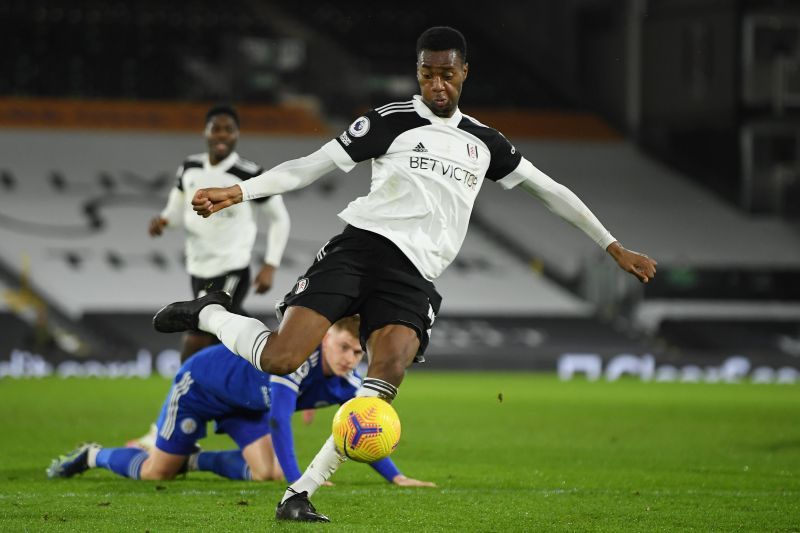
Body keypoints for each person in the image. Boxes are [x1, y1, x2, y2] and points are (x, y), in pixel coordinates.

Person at [153, 26, 657, 522]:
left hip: (414, 276)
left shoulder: (484, 142)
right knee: (283, 358)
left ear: (464, 74)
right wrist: (238, 192)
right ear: (417, 73)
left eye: (448, 75)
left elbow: (550, 190)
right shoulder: (390, 120)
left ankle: (299, 494)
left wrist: (612, 245)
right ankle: (213, 313)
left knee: (386, 375)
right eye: (427, 74)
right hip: (360, 251)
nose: (437, 85)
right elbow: (313, 166)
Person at [47, 317, 434, 488]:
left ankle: (193, 460)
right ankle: (93, 455)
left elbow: (362, 429)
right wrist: (301, 480)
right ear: (323, 339)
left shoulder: (346, 383)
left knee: (267, 473)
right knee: (155, 473)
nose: (350, 358)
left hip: (245, 407)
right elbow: (280, 421)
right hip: (200, 388)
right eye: (343, 346)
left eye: (356, 351)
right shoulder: (295, 362)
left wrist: (396, 476)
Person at [149, 104, 291, 362]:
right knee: (226, 332)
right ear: (206, 132)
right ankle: (276, 356)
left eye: (229, 129)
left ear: (237, 134)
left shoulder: (249, 174)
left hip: (231, 267)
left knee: (197, 334)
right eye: (216, 129)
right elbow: (176, 211)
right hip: (198, 267)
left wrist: (271, 264)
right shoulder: (190, 167)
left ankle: (182, 394)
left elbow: (280, 218)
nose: (222, 135)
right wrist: (163, 222)